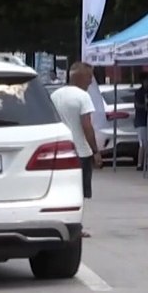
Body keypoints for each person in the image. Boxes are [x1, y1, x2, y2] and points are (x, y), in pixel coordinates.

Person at [51, 63, 101, 237]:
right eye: (89, 77)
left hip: (59, 150)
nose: (91, 81)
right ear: (80, 77)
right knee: (79, 192)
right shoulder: (83, 96)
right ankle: (76, 227)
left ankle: (59, 223)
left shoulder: (55, 95)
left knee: (60, 190)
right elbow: (87, 125)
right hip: (81, 152)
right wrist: (95, 151)